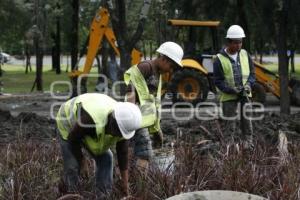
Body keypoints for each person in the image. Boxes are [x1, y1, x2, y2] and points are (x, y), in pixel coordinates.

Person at [56, 93, 142, 196]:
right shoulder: (90, 120)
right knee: (73, 165)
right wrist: (82, 162)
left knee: (107, 158)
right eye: (117, 132)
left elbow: (122, 153)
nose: (118, 135)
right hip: (68, 122)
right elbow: (73, 138)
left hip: (88, 128)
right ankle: (71, 194)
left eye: (121, 133)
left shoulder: (123, 125)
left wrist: (125, 183)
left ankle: (103, 195)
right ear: (113, 121)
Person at [124, 41, 184, 171]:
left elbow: (152, 104)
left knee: (140, 152)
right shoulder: (146, 67)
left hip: (144, 121)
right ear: (164, 59)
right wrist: (130, 112)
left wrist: (157, 129)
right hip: (137, 119)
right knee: (144, 153)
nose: (171, 70)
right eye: (172, 66)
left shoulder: (158, 74)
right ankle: (141, 187)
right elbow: (130, 87)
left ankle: (138, 179)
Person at [213, 25, 255, 142]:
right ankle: (229, 153)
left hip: (245, 95)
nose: (239, 45)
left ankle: (248, 148)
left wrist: (248, 85)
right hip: (228, 98)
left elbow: (252, 74)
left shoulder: (245, 54)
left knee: (247, 125)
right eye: (236, 43)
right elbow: (218, 81)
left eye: (240, 42)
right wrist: (231, 90)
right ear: (229, 42)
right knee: (229, 127)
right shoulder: (219, 59)